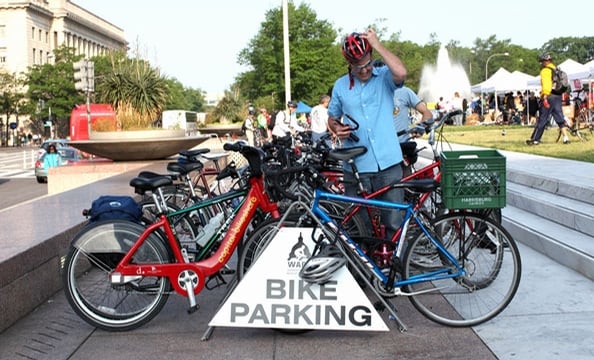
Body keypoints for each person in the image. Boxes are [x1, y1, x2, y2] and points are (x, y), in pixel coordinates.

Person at [327, 29, 407, 240]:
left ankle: (393, 269)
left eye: (367, 64)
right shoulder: (340, 86)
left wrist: (378, 44)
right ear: (349, 65)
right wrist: (336, 128)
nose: (363, 71)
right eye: (357, 67)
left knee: (394, 222)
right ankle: (366, 269)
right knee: (359, 226)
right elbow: (332, 118)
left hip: (388, 164)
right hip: (356, 166)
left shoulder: (384, 78)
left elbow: (401, 73)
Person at [526, 53, 571, 145]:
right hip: (557, 96)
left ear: (545, 61)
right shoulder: (555, 69)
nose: (541, 63)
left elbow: (546, 85)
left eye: (542, 61)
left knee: (543, 118)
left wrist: (545, 96)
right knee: (559, 117)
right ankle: (566, 137)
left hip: (549, 96)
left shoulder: (545, 71)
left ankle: (535, 139)